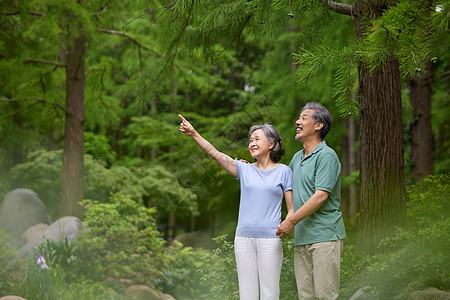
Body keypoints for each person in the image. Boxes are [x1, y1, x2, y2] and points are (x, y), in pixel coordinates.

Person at [178, 114, 293, 300]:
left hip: (270, 239)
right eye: (250, 140)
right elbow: (214, 152)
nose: (252, 143)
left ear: (271, 144)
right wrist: (194, 133)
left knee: (270, 293)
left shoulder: (284, 171)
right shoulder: (244, 169)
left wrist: (289, 224)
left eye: (257, 139)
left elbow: (292, 208)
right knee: (247, 294)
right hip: (243, 239)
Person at [276, 102, 346, 300]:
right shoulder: (297, 158)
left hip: (325, 235)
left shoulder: (326, 155)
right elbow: (280, 183)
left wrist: (290, 221)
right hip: (302, 236)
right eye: (298, 118)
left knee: (325, 295)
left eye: (304, 118)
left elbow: (320, 196)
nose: (297, 122)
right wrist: (254, 167)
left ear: (318, 125)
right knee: (305, 296)